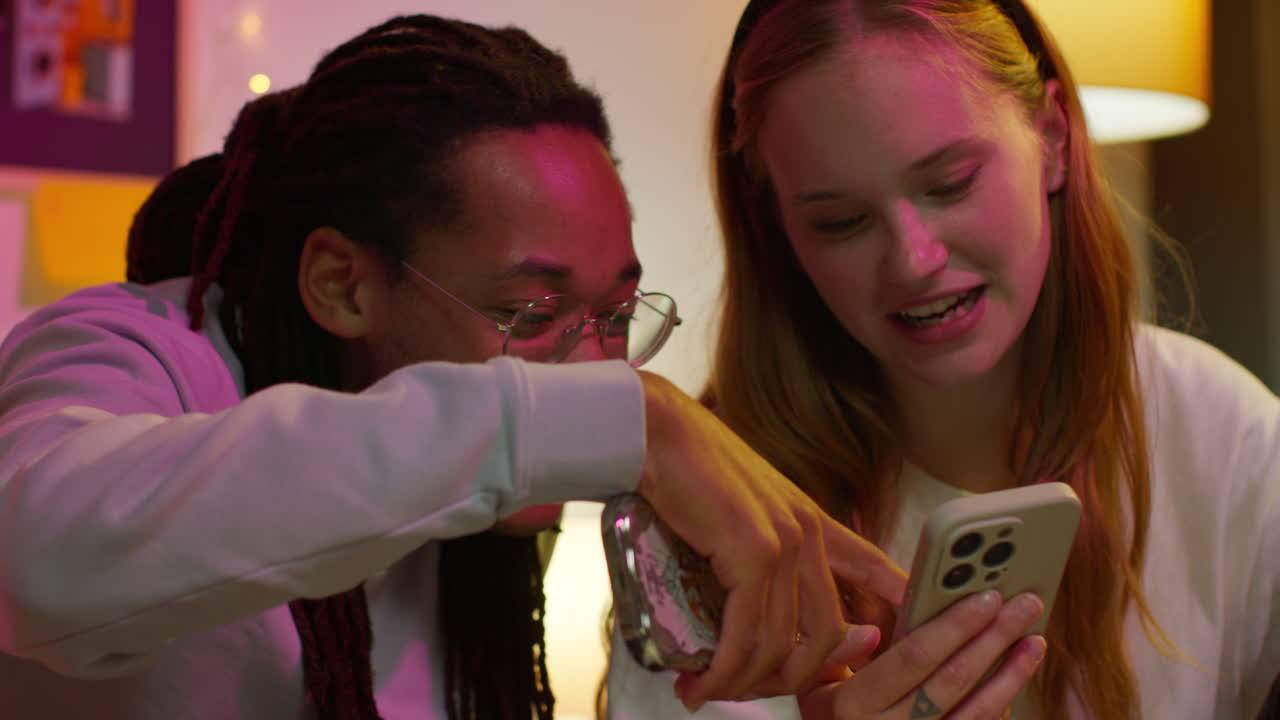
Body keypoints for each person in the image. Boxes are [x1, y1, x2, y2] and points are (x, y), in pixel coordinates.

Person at [0, 14, 908, 720]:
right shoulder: (128, 349)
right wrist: (628, 421)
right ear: (342, 285)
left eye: (618, 316)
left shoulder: (488, 527)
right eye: (533, 314)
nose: (596, 366)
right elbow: (36, 564)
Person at [605, 1, 1280, 719]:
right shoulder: (708, 534)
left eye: (952, 183)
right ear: (778, 230)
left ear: (1052, 137)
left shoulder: (1223, 438)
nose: (913, 260)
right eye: (841, 222)